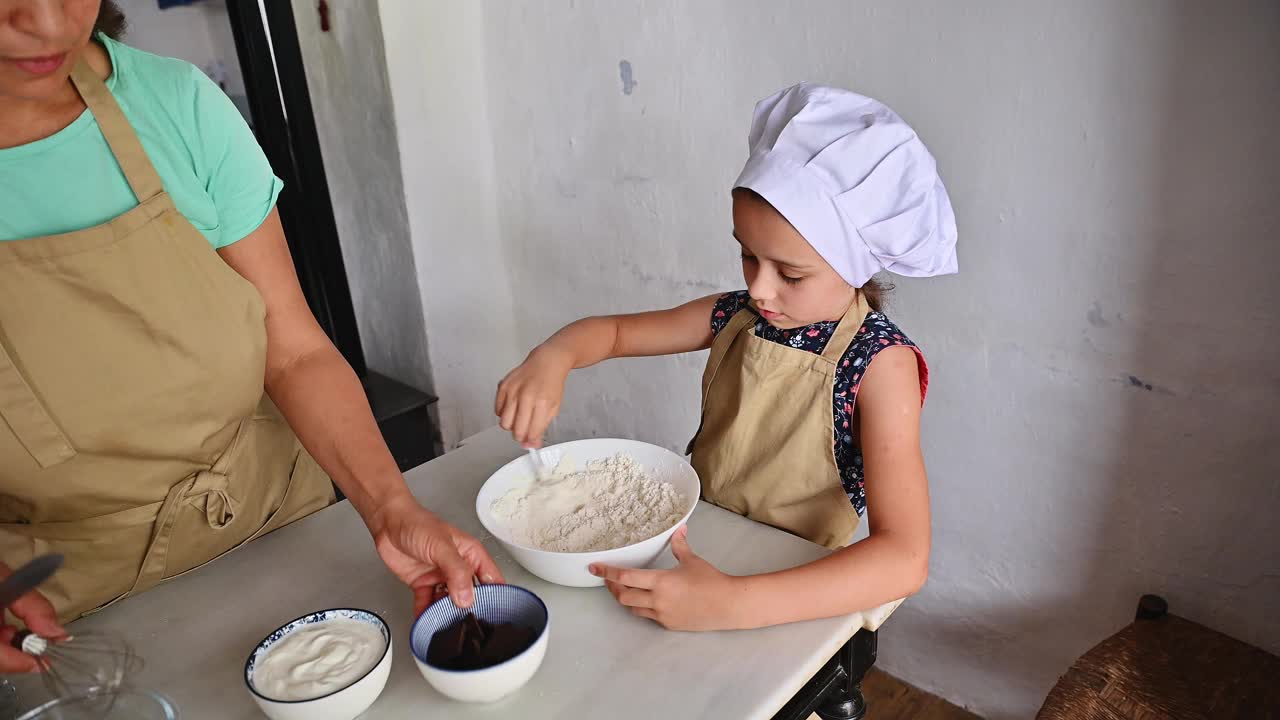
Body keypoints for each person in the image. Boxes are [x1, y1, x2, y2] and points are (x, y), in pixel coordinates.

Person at [0, 0, 501, 655]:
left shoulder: (177, 105)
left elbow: (292, 353)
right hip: (68, 609)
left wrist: (390, 509)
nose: (50, 23)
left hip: (277, 524)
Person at [496, 83, 957, 631]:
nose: (760, 289)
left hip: (791, 588)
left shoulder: (881, 364)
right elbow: (616, 333)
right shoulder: (735, 315)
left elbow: (904, 558)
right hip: (700, 547)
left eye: (790, 274)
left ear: (856, 266)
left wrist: (732, 604)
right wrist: (554, 355)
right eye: (747, 255)